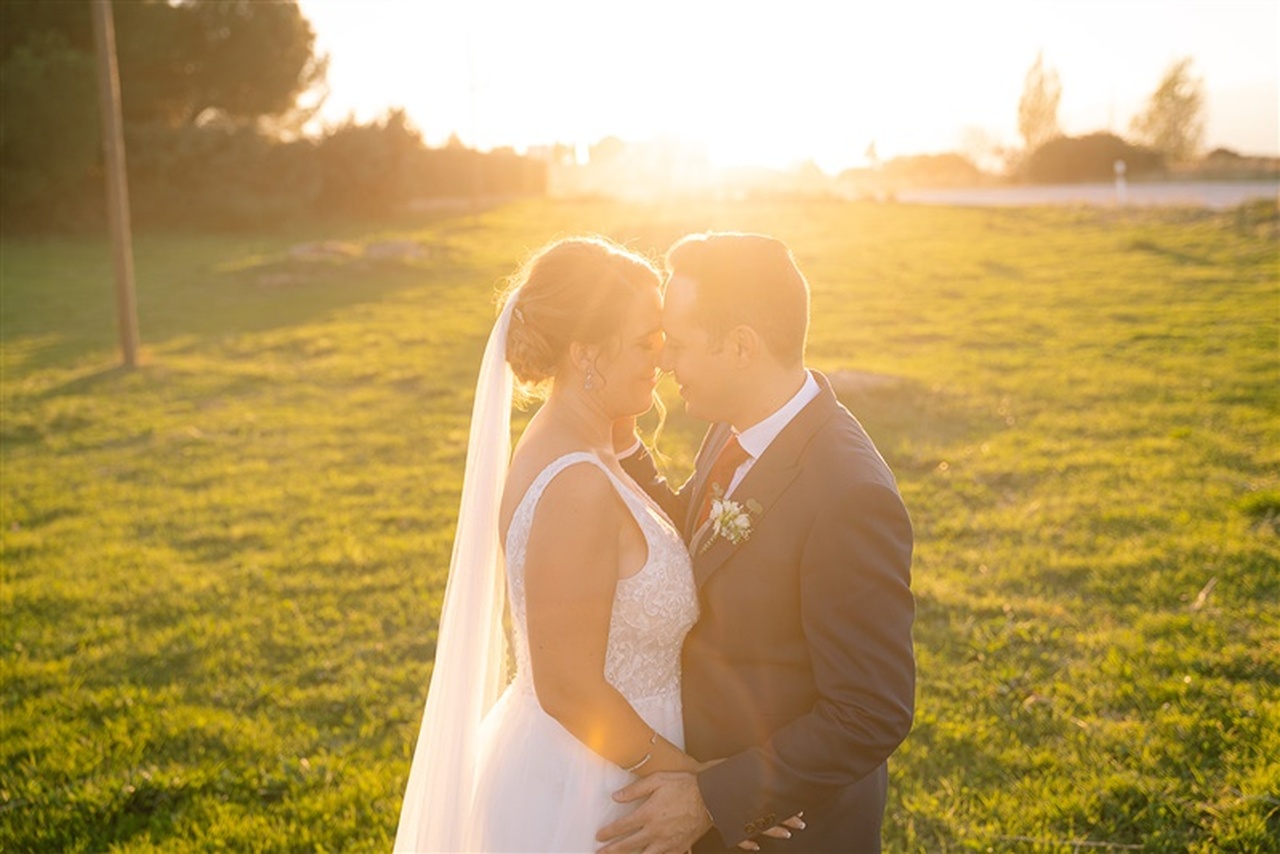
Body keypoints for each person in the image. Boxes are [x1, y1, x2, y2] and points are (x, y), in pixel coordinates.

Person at [601, 232, 916, 853]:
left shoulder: (849, 496)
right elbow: (700, 533)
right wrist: (624, 444)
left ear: (741, 346)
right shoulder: (734, 424)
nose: (665, 364)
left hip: (793, 835)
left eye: (681, 345)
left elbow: (870, 711)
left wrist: (712, 799)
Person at [393, 236, 707, 852]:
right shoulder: (577, 486)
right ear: (586, 353)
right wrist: (702, 788)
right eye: (646, 342)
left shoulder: (569, 438)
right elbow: (568, 687)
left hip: (603, 762)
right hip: (593, 789)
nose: (662, 359)